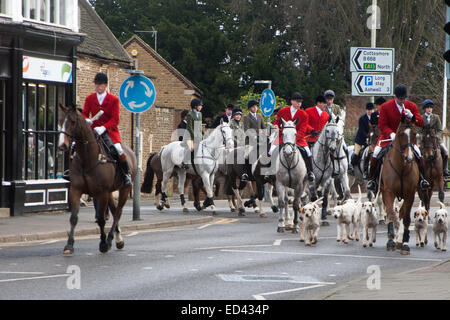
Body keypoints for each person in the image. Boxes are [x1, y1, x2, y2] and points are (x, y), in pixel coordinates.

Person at [366, 84, 430, 191]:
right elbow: (382, 125)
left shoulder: (411, 106)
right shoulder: (386, 107)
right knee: (376, 152)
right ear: (395, 97)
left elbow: (421, 123)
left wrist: (412, 116)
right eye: (400, 99)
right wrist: (391, 134)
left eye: (404, 98)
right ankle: (372, 180)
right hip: (388, 137)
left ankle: (422, 179)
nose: (402, 101)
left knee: (418, 153)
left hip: (407, 139)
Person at [81, 72, 132, 186]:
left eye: (100, 85)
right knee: (76, 145)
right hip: (93, 130)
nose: (98, 87)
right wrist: (86, 119)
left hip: (109, 131)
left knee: (118, 149)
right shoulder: (90, 98)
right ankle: (74, 173)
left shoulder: (113, 100)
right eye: (96, 84)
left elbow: (115, 120)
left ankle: (125, 174)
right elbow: (84, 113)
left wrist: (103, 127)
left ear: (105, 86)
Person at [271, 92, 318, 182]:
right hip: (282, 137)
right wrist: (276, 125)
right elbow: (277, 121)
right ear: (292, 101)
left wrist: (293, 139)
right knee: (272, 150)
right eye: (297, 102)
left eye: (300, 102)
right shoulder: (282, 111)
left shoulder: (304, 114)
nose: (299, 104)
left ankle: (310, 172)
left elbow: (303, 129)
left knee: (308, 153)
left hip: (298, 139)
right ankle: (270, 172)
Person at [418, 99, 450, 177]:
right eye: (428, 107)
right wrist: (422, 136)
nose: (429, 109)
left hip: (435, 139)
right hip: (424, 140)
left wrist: (436, 136)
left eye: (430, 107)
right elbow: (419, 130)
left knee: (445, 151)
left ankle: (445, 169)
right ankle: (418, 170)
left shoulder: (436, 117)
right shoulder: (421, 117)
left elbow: (439, 130)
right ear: (425, 109)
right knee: (417, 152)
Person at [324, 89, 352, 175]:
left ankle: (349, 165)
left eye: (331, 99)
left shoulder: (337, 107)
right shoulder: (323, 108)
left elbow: (339, 119)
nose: (329, 101)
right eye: (328, 99)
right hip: (327, 132)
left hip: (336, 132)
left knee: (345, 147)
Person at [351, 102, 375, 169]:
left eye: (371, 110)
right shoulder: (362, 118)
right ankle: (352, 168)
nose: (370, 111)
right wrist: (367, 137)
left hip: (373, 140)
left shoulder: (376, 118)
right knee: (356, 153)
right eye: (368, 110)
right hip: (361, 140)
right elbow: (362, 130)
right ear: (366, 110)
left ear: (373, 110)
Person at [181, 98, 204, 169]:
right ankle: (184, 162)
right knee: (191, 147)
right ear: (195, 106)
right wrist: (194, 137)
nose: (201, 107)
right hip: (189, 135)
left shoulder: (200, 114)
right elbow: (189, 128)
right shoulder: (190, 115)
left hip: (197, 135)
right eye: (200, 105)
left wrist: (204, 133)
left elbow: (200, 126)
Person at [229, 108, 249, 181]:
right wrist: (239, 144)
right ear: (233, 116)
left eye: (239, 115)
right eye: (236, 115)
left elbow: (244, 135)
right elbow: (230, 136)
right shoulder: (230, 124)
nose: (238, 116)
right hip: (234, 145)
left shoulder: (241, 124)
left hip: (242, 144)